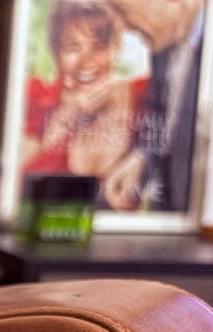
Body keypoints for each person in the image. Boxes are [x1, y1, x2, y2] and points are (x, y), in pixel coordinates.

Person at [22, 0, 147, 199]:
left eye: (99, 46)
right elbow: (9, 179)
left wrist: (142, 159)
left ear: (116, 46)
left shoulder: (145, 95)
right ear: (57, 51)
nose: (86, 61)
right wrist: (67, 116)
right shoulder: (33, 98)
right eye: (72, 47)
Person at [103, 0, 205, 210]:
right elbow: (159, 118)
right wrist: (141, 158)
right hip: (173, 216)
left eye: (122, 10)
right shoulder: (161, 45)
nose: (121, 26)